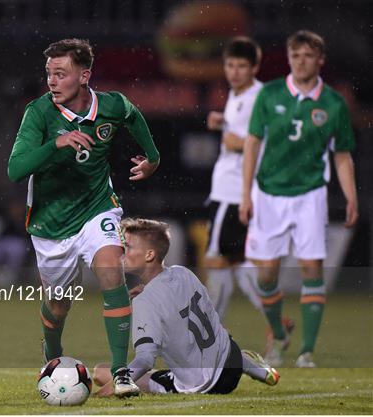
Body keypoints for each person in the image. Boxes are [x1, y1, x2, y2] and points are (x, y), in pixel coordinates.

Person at [7, 39, 160, 397]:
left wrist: (152, 157)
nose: (52, 81)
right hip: (51, 224)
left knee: (111, 269)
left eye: (60, 74)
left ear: (84, 75)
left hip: (97, 208)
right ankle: (52, 355)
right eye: (49, 73)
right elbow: (16, 169)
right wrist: (54, 145)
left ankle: (121, 371)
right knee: (57, 307)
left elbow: (132, 116)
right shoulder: (39, 113)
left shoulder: (110, 106)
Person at [240, 30, 358, 368]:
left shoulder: (333, 103)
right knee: (265, 276)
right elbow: (252, 144)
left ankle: (307, 350)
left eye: (307, 56)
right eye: (295, 55)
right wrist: (245, 195)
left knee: (312, 267)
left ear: (320, 60)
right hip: (268, 194)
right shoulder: (270, 94)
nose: (300, 61)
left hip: (310, 194)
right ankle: (279, 333)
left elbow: (342, 155)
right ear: (289, 58)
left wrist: (351, 197)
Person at [94, 218, 279, 397]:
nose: (121, 252)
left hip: (204, 385)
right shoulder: (184, 272)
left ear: (149, 255)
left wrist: (105, 393)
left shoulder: (144, 301)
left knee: (101, 373)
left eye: (128, 247)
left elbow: (145, 360)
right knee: (212, 337)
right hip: (231, 360)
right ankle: (257, 368)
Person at [205, 36, 265, 320]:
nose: (235, 71)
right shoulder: (237, 95)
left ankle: (207, 333)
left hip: (234, 191)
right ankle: (275, 317)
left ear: (254, 67)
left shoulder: (258, 98)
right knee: (239, 263)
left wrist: (236, 141)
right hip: (233, 189)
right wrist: (223, 122)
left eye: (242, 66)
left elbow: (267, 140)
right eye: (230, 65)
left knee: (217, 258)